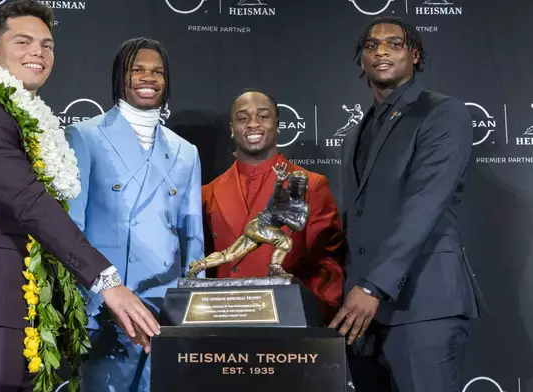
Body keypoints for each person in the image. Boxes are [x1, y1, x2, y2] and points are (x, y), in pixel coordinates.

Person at [0, 2, 159, 390]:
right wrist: (107, 282)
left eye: (47, 44)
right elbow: (29, 201)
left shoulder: (29, 121)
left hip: (30, 312)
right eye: (23, 41)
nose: (38, 52)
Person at [330, 16, 487, 392]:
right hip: (362, 317)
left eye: (394, 44)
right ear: (362, 60)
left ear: (415, 55)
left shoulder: (441, 112)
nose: (381, 50)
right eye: (371, 45)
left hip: (422, 306)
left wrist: (371, 289)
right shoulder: (356, 132)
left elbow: (424, 205)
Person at [65, 37, 204, 392]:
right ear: (119, 77)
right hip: (106, 308)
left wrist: (191, 308)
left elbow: (193, 237)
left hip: (166, 311)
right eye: (137, 69)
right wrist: (88, 302)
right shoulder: (84, 136)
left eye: (157, 72)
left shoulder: (186, 152)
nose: (148, 78)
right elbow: (71, 229)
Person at [199, 89, 345, 322]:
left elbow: (328, 263)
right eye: (243, 118)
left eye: (263, 116)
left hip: (288, 323)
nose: (252, 124)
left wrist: (308, 306)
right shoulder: (209, 193)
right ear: (232, 128)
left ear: (277, 125)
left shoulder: (311, 185)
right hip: (223, 322)